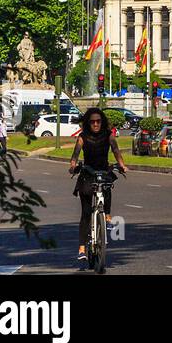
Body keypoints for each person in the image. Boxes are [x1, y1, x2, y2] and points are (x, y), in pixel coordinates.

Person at [68, 108, 128, 262]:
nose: (96, 124)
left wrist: (122, 165)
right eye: (92, 121)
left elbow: (115, 150)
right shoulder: (82, 137)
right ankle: (82, 248)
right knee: (86, 213)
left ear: (102, 122)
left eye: (98, 121)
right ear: (88, 123)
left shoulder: (109, 135)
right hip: (87, 173)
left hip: (103, 170)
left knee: (107, 185)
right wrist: (73, 165)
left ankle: (107, 216)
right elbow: (75, 154)